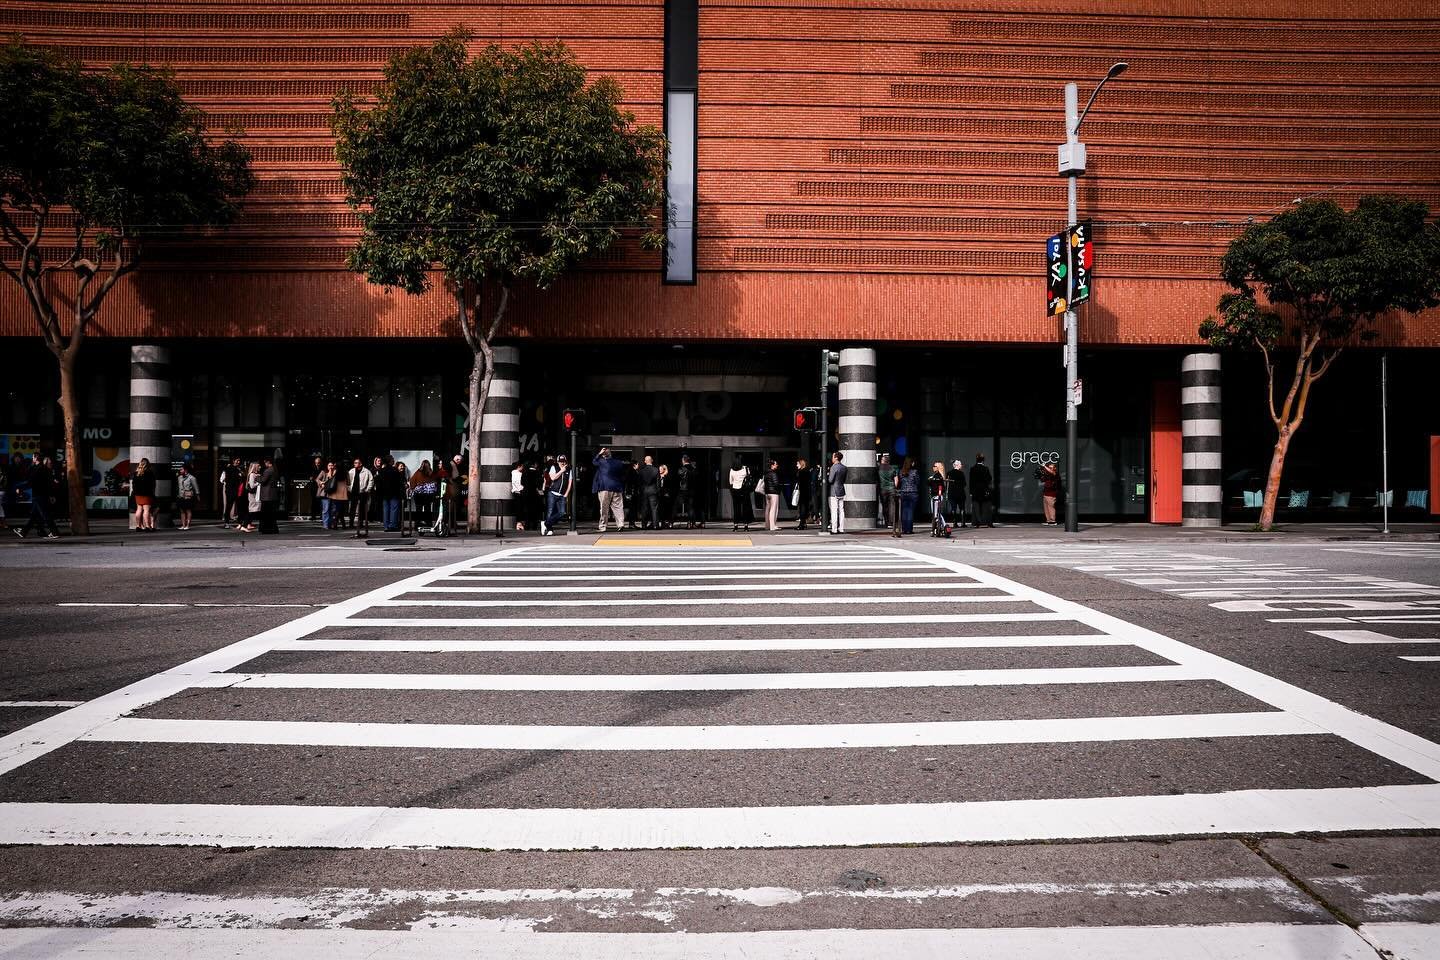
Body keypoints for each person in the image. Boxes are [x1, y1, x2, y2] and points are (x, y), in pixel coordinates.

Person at [18, 455, 60, 539]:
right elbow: (49, 484)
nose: (32, 459)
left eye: (33, 457)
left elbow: (31, 482)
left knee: (45, 514)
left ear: (36, 458)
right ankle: (24, 532)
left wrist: (21, 488)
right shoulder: (45, 469)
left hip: (38, 495)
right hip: (43, 494)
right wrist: (51, 495)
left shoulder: (37, 469)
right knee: (35, 515)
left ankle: (54, 532)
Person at [592, 447, 627, 531]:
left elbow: (594, 462)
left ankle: (603, 526)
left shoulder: (601, 461)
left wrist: (599, 453)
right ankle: (621, 524)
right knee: (618, 507)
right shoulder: (619, 463)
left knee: (604, 508)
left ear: (603, 455)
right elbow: (622, 475)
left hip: (605, 487)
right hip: (617, 487)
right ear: (610, 454)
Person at [543, 454, 571, 536]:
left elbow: (570, 482)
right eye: (560, 461)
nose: (562, 463)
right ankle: (549, 529)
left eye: (563, 461)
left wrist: (566, 494)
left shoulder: (569, 470)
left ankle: (546, 523)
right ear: (558, 462)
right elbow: (553, 478)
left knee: (562, 512)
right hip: (553, 492)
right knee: (550, 511)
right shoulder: (553, 467)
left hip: (562, 494)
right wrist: (562, 470)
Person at [347, 457, 373, 536]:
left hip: (362, 492)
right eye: (354, 463)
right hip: (353, 492)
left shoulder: (366, 471)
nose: (355, 464)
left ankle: (361, 523)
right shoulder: (351, 471)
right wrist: (349, 488)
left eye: (356, 463)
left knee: (362, 508)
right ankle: (351, 523)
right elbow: (347, 481)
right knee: (352, 507)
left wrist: (367, 489)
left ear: (360, 464)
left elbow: (371, 480)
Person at [377, 456, 404, 532]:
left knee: (386, 509)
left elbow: (379, 483)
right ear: (390, 461)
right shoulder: (395, 470)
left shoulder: (381, 471)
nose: (394, 460)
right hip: (394, 492)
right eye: (393, 459)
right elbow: (399, 482)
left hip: (384, 493)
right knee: (394, 509)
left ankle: (386, 525)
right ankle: (393, 525)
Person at [410, 460, 437, 532]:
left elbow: (412, 481)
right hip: (428, 495)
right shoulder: (431, 473)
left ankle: (417, 525)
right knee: (427, 509)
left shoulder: (418, 472)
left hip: (418, 495)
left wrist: (413, 488)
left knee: (418, 509)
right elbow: (435, 483)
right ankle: (428, 524)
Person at [895, 456, 920, 535]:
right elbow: (917, 482)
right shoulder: (914, 472)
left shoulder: (901, 472)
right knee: (910, 511)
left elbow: (900, 482)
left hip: (903, 493)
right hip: (913, 493)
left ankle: (904, 529)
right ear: (911, 463)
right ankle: (909, 529)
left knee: (904, 511)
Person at [727, 455, 753, 531]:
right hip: (744, 490)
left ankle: (735, 525)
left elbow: (730, 482)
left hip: (735, 490)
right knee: (745, 508)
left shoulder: (731, 470)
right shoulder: (745, 469)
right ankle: (746, 525)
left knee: (736, 508)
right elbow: (749, 477)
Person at [131, 457, 157, 531]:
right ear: (147, 464)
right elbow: (153, 485)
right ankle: (148, 526)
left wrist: (136, 492)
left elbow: (133, 485)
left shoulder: (136, 473)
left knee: (139, 510)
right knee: (146, 510)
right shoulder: (149, 473)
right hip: (147, 494)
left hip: (138, 494)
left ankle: (138, 526)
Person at [674, 454, 700, 529]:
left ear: (683, 460)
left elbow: (679, 476)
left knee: (676, 505)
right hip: (692, 490)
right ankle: (690, 523)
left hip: (683, 489)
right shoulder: (694, 469)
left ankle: (671, 522)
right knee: (690, 507)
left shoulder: (682, 469)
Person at [927, 461, 951, 538]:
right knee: (937, 514)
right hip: (937, 496)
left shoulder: (938, 477)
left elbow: (932, 485)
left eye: (935, 466)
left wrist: (931, 480)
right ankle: (940, 527)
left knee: (936, 514)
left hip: (936, 496)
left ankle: (943, 526)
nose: (933, 467)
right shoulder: (938, 476)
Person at [970, 453, 994, 528]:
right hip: (984, 490)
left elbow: (971, 481)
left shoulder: (972, 468)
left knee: (976, 507)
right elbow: (989, 479)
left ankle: (977, 522)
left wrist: (971, 491)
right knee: (986, 507)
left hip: (975, 491)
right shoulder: (985, 468)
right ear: (983, 460)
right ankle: (987, 522)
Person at [258, 457, 281, 534]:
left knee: (266, 514)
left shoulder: (268, 471)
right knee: (272, 514)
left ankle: (266, 529)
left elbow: (263, 480)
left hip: (267, 496)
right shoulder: (275, 470)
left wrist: (257, 478)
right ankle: (273, 529)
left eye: (265, 462)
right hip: (273, 495)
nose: (265, 464)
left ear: (268, 462)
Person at [638, 455, 661, 529]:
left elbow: (640, 483)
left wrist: (640, 491)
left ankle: (644, 525)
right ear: (652, 460)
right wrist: (658, 491)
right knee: (654, 509)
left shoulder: (641, 471)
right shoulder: (656, 470)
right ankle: (655, 525)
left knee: (644, 508)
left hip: (644, 491)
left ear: (645, 461)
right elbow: (658, 483)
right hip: (653, 491)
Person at [175, 464, 200, 531]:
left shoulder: (192, 478)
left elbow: (196, 487)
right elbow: (178, 487)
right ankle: (183, 525)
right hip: (181, 496)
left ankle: (187, 525)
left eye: (181, 469)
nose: (180, 471)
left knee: (188, 510)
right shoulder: (179, 477)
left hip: (188, 496)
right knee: (182, 511)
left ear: (185, 470)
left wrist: (197, 495)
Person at [827, 451, 846, 534]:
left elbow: (830, 480)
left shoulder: (834, 467)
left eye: (833, 456)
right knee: (841, 510)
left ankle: (834, 529)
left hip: (833, 491)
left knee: (834, 511)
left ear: (836, 458)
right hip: (841, 490)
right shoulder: (844, 468)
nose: (832, 458)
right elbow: (844, 480)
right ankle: (841, 528)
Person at [876, 452, 897, 530]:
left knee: (885, 506)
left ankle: (887, 522)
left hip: (882, 489)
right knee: (892, 506)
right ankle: (891, 523)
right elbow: (896, 480)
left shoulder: (879, 468)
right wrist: (894, 487)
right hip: (892, 489)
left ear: (883, 460)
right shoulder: (893, 468)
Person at [762, 458, 782, 531]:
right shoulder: (773, 473)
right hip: (774, 493)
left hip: (767, 493)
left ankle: (767, 525)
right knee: (773, 509)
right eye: (776, 464)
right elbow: (776, 484)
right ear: (772, 465)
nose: (777, 465)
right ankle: (772, 526)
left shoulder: (766, 473)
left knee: (767, 509)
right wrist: (779, 489)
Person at [241, 461, 261, 533]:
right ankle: (244, 526)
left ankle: (248, 524)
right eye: (258, 466)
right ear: (255, 467)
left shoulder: (254, 474)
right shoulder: (252, 475)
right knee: (251, 510)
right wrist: (259, 483)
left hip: (254, 494)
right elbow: (252, 486)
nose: (260, 467)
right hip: (252, 494)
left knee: (253, 510)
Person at [793, 457, 813, 530]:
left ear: (801, 464)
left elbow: (800, 483)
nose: (796, 465)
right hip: (806, 492)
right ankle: (803, 523)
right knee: (804, 508)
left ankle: (802, 524)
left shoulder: (801, 472)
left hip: (802, 492)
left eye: (797, 463)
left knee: (802, 509)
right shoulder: (807, 472)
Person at [1039, 460, 1061, 526]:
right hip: (1046, 493)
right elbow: (1042, 480)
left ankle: (1053, 521)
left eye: (1051, 467)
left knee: (1051, 507)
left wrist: (1044, 466)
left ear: (1055, 468)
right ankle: (1048, 520)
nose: (1050, 469)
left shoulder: (1055, 474)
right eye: (1050, 467)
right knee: (1046, 508)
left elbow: (1051, 472)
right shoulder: (1048, 475)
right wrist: (1042, 473)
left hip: (1051, 494)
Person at [949, 459, 969, 529]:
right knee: (962, 508)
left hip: (952, 493)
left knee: (953, 508)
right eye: (960, 464)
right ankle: (963, 523)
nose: (961, 465)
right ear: (957, 465)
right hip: (960, 493)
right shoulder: (961, 473)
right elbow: (964, 484)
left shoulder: (949, 473)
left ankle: (955, 523)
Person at [509, 461, 526, 530]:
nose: (523, 467)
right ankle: (519, 524)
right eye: (522, 466)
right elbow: (519, 483)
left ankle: (519, 523)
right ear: (519, 466)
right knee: (520, 508)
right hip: (519, 492)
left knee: (518, 508)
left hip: (515, 492)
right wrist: (522, 488)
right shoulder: (519, 474)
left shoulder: (513, 473)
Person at [308, 455, 325, 522]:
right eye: (316, 463)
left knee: (321, 502)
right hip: (314, 487)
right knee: (313, 502)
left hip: (320, 487)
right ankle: (313, 515)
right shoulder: (312, 468)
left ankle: (321, 515)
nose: (317, 464)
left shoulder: (322, 469)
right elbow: (311, 476)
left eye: (319, 463)